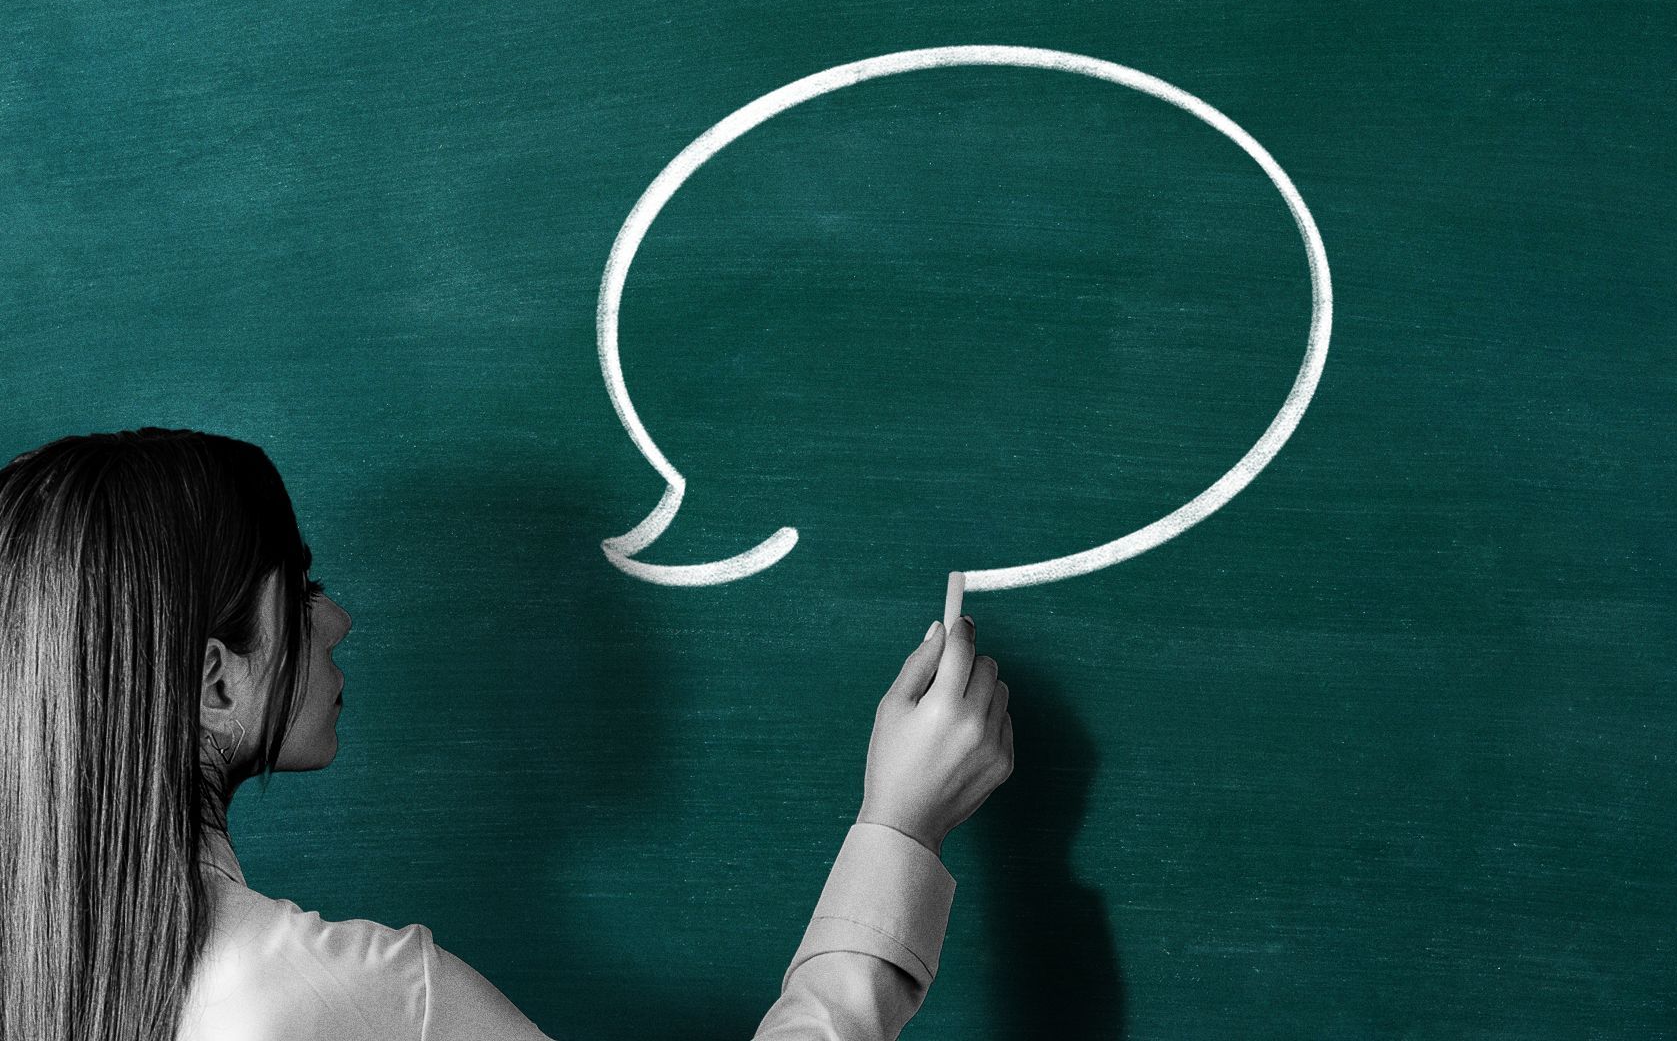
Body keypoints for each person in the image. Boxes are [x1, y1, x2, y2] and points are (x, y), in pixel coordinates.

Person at [0, 428, 1015, 1041]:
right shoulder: (338, 999)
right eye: (301, 587)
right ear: (216, 682)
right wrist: (900, 830)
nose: (337, 617)